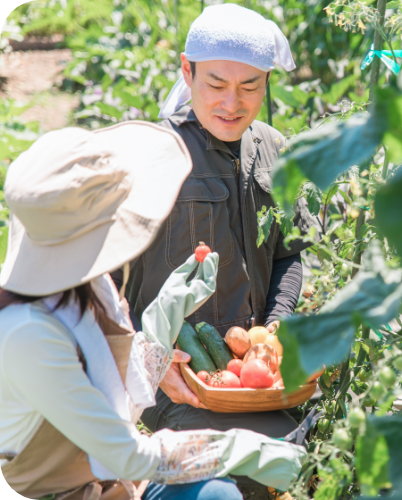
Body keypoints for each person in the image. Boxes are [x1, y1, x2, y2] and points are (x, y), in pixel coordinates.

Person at [0, 123, 306, 500]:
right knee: (218, 495)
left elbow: (112, 395)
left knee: (215, 492)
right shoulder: (27, 335)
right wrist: (243, 449)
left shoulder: (85, 288)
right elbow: (128, 454)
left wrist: (163, 320)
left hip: (109, 482)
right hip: (68, 491)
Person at [111, 6, 317, 493]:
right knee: (234, 480)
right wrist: (147, 363)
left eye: (250, 87)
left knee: (299, 462)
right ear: (187, 70)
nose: (232, 102)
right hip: (183, 382)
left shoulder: (274, 149)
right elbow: (100, 282)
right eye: (216, 84)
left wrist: (276, 323)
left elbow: (290, 252)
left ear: (267, 82)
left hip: (257, 378)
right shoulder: (153, 158)